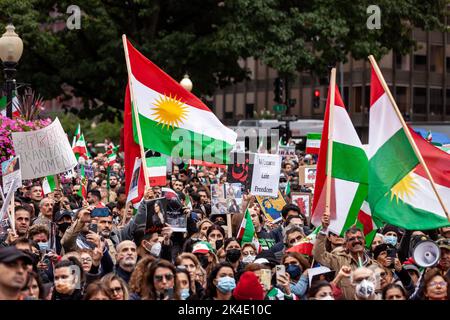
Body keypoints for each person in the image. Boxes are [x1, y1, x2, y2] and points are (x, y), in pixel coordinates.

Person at [313, 212, 379, 300]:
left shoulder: (374, 266)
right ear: (345, 245)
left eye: (359, 238)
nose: (356, 241)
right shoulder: (338, 260)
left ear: (365, 242)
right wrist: (324, 229)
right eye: (351, 239)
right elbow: (318, 255)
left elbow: (379, 292)